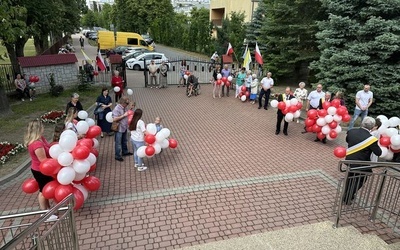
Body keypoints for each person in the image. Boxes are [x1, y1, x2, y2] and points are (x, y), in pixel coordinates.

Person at [343, 116, 382, 205]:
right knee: (360, 181)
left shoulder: (351, 131)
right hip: (361, 164)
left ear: (362, 123)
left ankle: (347, 194)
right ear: (372, 127)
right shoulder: (371, 139)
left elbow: (347, 140)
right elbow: (378, 152)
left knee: (350, 178)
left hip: (350, 161)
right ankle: (348, 196)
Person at [24, 120, 57, 220]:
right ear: (38, 129)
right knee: (43, 191)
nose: (44, 128)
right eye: (42, 127)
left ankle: (48, 209)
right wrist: (56, 161)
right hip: (41, 170)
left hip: (43, 169)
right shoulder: (36, 144)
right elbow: (43, 160)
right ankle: (44, 214)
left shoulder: (40, 139)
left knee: (45, 190)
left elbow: (49, 147)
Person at [112, 97, 133, 162]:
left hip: (124, 127)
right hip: (119, 128)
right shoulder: (117, 109)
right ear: (122, 103)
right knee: (118, 142)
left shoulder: (125, 107)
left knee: (124, 140)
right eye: (126, 103)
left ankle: (125, 152)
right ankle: (117, 156)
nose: (127, 104)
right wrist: (124, 115)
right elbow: (114, 119)